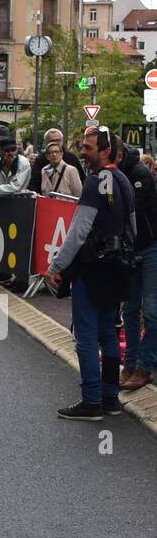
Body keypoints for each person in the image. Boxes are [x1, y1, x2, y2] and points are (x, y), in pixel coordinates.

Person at [48, 127, 136, 420]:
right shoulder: (122, 180)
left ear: (105, 151)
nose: (83, 152)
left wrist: (57, 266)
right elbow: (133, 226)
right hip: (117, 267)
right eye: (83, 147)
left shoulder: (95, 182)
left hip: (92, 267)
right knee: (109, 333)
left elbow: (79, 230)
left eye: (88, 148)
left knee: (85, 336)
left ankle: (91, 401)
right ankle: (111, 398)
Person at [118, 141, 157, 391]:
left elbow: (130, 211)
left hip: (150, 246)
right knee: (130, 309)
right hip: (132, 248)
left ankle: (144, 366)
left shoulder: (138, 174)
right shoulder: (118, 171)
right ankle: (130, 364)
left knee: (151, 312)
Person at [29, 127, 83, 192]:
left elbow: (81, 184)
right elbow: (34, 184)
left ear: (62, 142)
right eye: (51, 141)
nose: (55, 143)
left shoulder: (72, 158)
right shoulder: (40, 161)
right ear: (46, 143)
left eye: (57, 140)